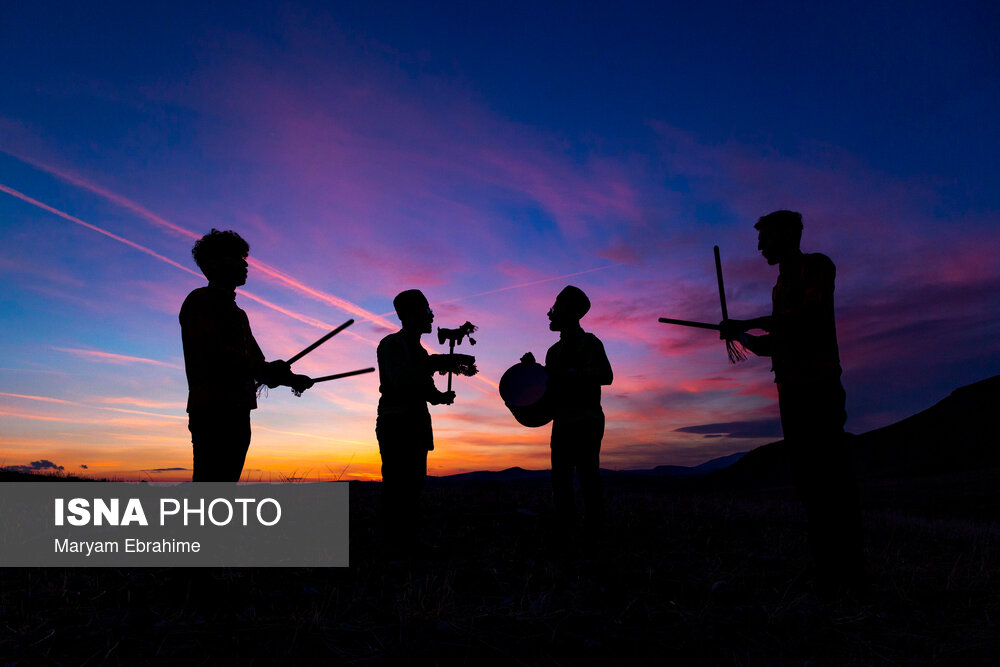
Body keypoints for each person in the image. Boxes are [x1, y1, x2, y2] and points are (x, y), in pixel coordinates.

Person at [720, 210, 865, 592]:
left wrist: (749, 323)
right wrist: (743, 337)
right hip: (792, 392)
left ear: (788, 235)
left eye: (765, 238)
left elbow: (806, 319)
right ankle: (826, 567)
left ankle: (849, 568)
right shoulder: (781, 285)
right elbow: (776, 343)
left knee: (831, 476)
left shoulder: (817, 268)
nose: (759, 246)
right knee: (808, 479)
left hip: (819, 387)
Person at [179, 229, 313, 482]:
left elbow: (258, 365)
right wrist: (269, 370)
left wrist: (291, 380)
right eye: (236, 257)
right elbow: (216, 355)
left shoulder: (239, 314)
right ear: (213, 263)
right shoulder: (200, 301)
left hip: (239, 411)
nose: (244, 264)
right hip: (212, 410)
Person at [376, 289, 476, 550]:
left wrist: (441, 397)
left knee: (414, 483)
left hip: (417, 423)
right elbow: (400, 381)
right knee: (397, 484)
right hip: (396, 423)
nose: (431, 317)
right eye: (426, 311)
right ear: (410, 315)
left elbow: (424, 389)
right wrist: (436, 363)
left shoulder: (420, 353)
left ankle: (407, 539)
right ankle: (393, 543)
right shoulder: (391, 345)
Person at [522, 285, 613, 534]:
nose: (552, 313)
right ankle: (567, 529)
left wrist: (570, 373)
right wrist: (535, 372)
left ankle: (595, 531)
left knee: (588, 477)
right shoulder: (553, 351)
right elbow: (551, 386)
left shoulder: (591, 343)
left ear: (572, 312)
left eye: (558, 307)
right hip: (562, 422)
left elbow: (606, 375)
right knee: (560, 480)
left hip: (587, 421)